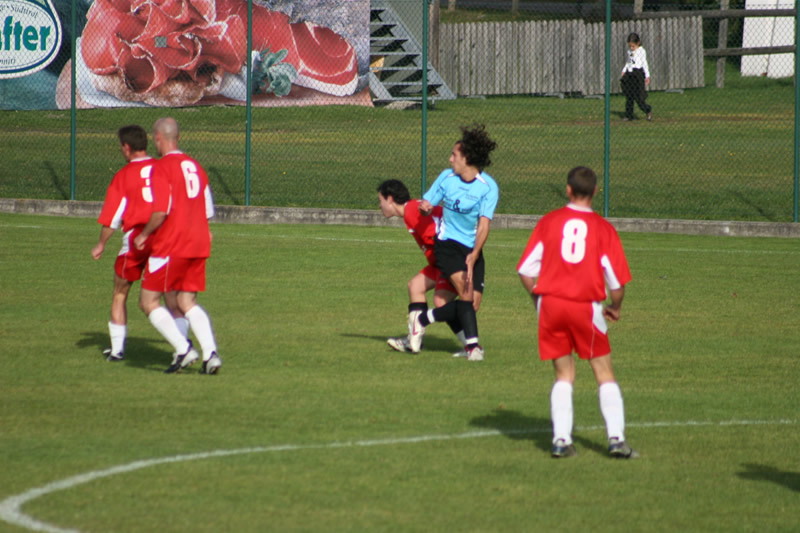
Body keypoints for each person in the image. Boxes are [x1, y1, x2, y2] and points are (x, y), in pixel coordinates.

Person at [517, 166, 636, 459]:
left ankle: (560, 440)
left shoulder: (550, 221)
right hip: (585, 306)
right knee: (603, 371)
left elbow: (525, 270)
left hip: (551, 305)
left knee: (563, 374)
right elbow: (617, 284)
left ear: (568, 190)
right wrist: (616, 307)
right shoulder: (602, 228)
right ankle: (617, 439)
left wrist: (538, 300)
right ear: (595, 192)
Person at [133, 117, 222, 375]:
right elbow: (207, 212)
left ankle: (184, 350)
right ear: (178, 138)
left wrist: (144, 235)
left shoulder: (161, 169)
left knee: (148, 301)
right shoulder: (196, 167)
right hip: (199, 242)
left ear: (158, 139)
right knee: (185, 301)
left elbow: (160, 211)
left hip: (172, 244)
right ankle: (210, 354)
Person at [91, 125, 179, 361]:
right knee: (170, 295)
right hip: (166, 237)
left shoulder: (123, 176)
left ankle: (118, 351)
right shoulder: (163, 168)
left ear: (127, 147)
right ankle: (181, 347)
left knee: (120, 293)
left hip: (137, 240)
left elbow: (112, 218)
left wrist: (101, 244)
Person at [412, 124, 499, 362]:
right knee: (467, 296)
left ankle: (423, 319)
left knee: (471, 304)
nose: (450, 159)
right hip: (447, 245)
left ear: (467, 159)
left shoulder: (488, 188)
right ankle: (473, 348)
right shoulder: (446, 178)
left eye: (454, 155)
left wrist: (474, 254)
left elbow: (483, 225)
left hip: (472, 249)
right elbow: (427, 202)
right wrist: (426, 207)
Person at [377, 179, 480, 357]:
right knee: (415, 286)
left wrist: (449, 269)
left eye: (380, 200)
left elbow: (437, 239)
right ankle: (414, 342)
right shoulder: (411, 210)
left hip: (450, 259)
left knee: (444, 303)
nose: (380, 206)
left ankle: (470, 346)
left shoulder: (412, 212)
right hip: (440, 261)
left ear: (390, 199)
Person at [620, 32, 652, 122]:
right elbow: (628, 62)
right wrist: (624, 70)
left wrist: (647, 75)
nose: (631, 48)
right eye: (630, 46)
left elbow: (644, 64)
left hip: (637, 75)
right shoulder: (629, 51)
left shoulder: (641, 51)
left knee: (639, 98)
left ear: (638, 43)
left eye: (633, 46)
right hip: (630, 74)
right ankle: (629, 115)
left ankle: (648, 110)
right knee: (629, 96)